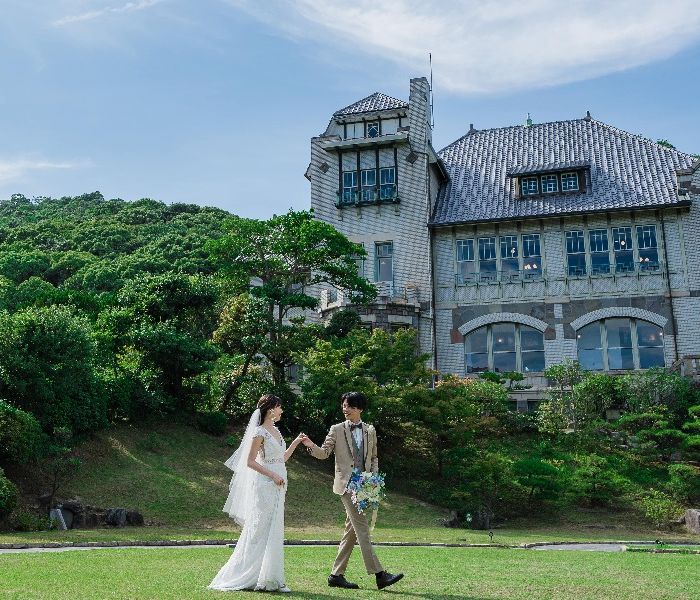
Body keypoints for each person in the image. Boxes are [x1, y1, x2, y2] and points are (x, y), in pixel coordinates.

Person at [302, 391, 404, 591]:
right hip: (346, 485)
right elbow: (324, 453)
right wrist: (310, 445)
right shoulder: (337, 429)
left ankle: (335, 575)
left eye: (349, 406)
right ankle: (380, 574)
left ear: (360, 408)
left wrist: (373, 479)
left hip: (365, 485)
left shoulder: (370, 430)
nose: (345, 409)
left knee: (351, 531)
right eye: (344, 406)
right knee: (362, 527)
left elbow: (373, 458)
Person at [209, 394, 307, 593]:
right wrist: (273, 476)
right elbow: (250, 461)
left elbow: (281, 458)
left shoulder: (276, 431)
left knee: (274, 529)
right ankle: (250, 575)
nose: (281, 410)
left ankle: (271, 578)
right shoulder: (259, 432)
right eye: (279, 407)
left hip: (279, 484)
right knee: (260, 529)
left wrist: (296, 443)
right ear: (271, 409)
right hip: (265, 485)